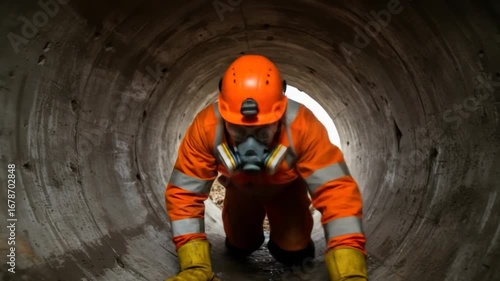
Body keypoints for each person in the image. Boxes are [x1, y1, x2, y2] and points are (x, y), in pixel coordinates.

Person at [164, 54, 368, 281]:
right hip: (240, 191)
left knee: (294, 253)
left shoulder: (303, 127)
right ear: (224, 117)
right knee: (240, 246)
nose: (250, 144)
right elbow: (184, 194)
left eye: (262, 131)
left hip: (287, 192)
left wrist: (349, 270)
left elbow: (337, 192)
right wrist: (194, 265)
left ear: (279, 116)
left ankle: (290, 244)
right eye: (239, 130)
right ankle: (243, 239)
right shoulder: (206, 128)